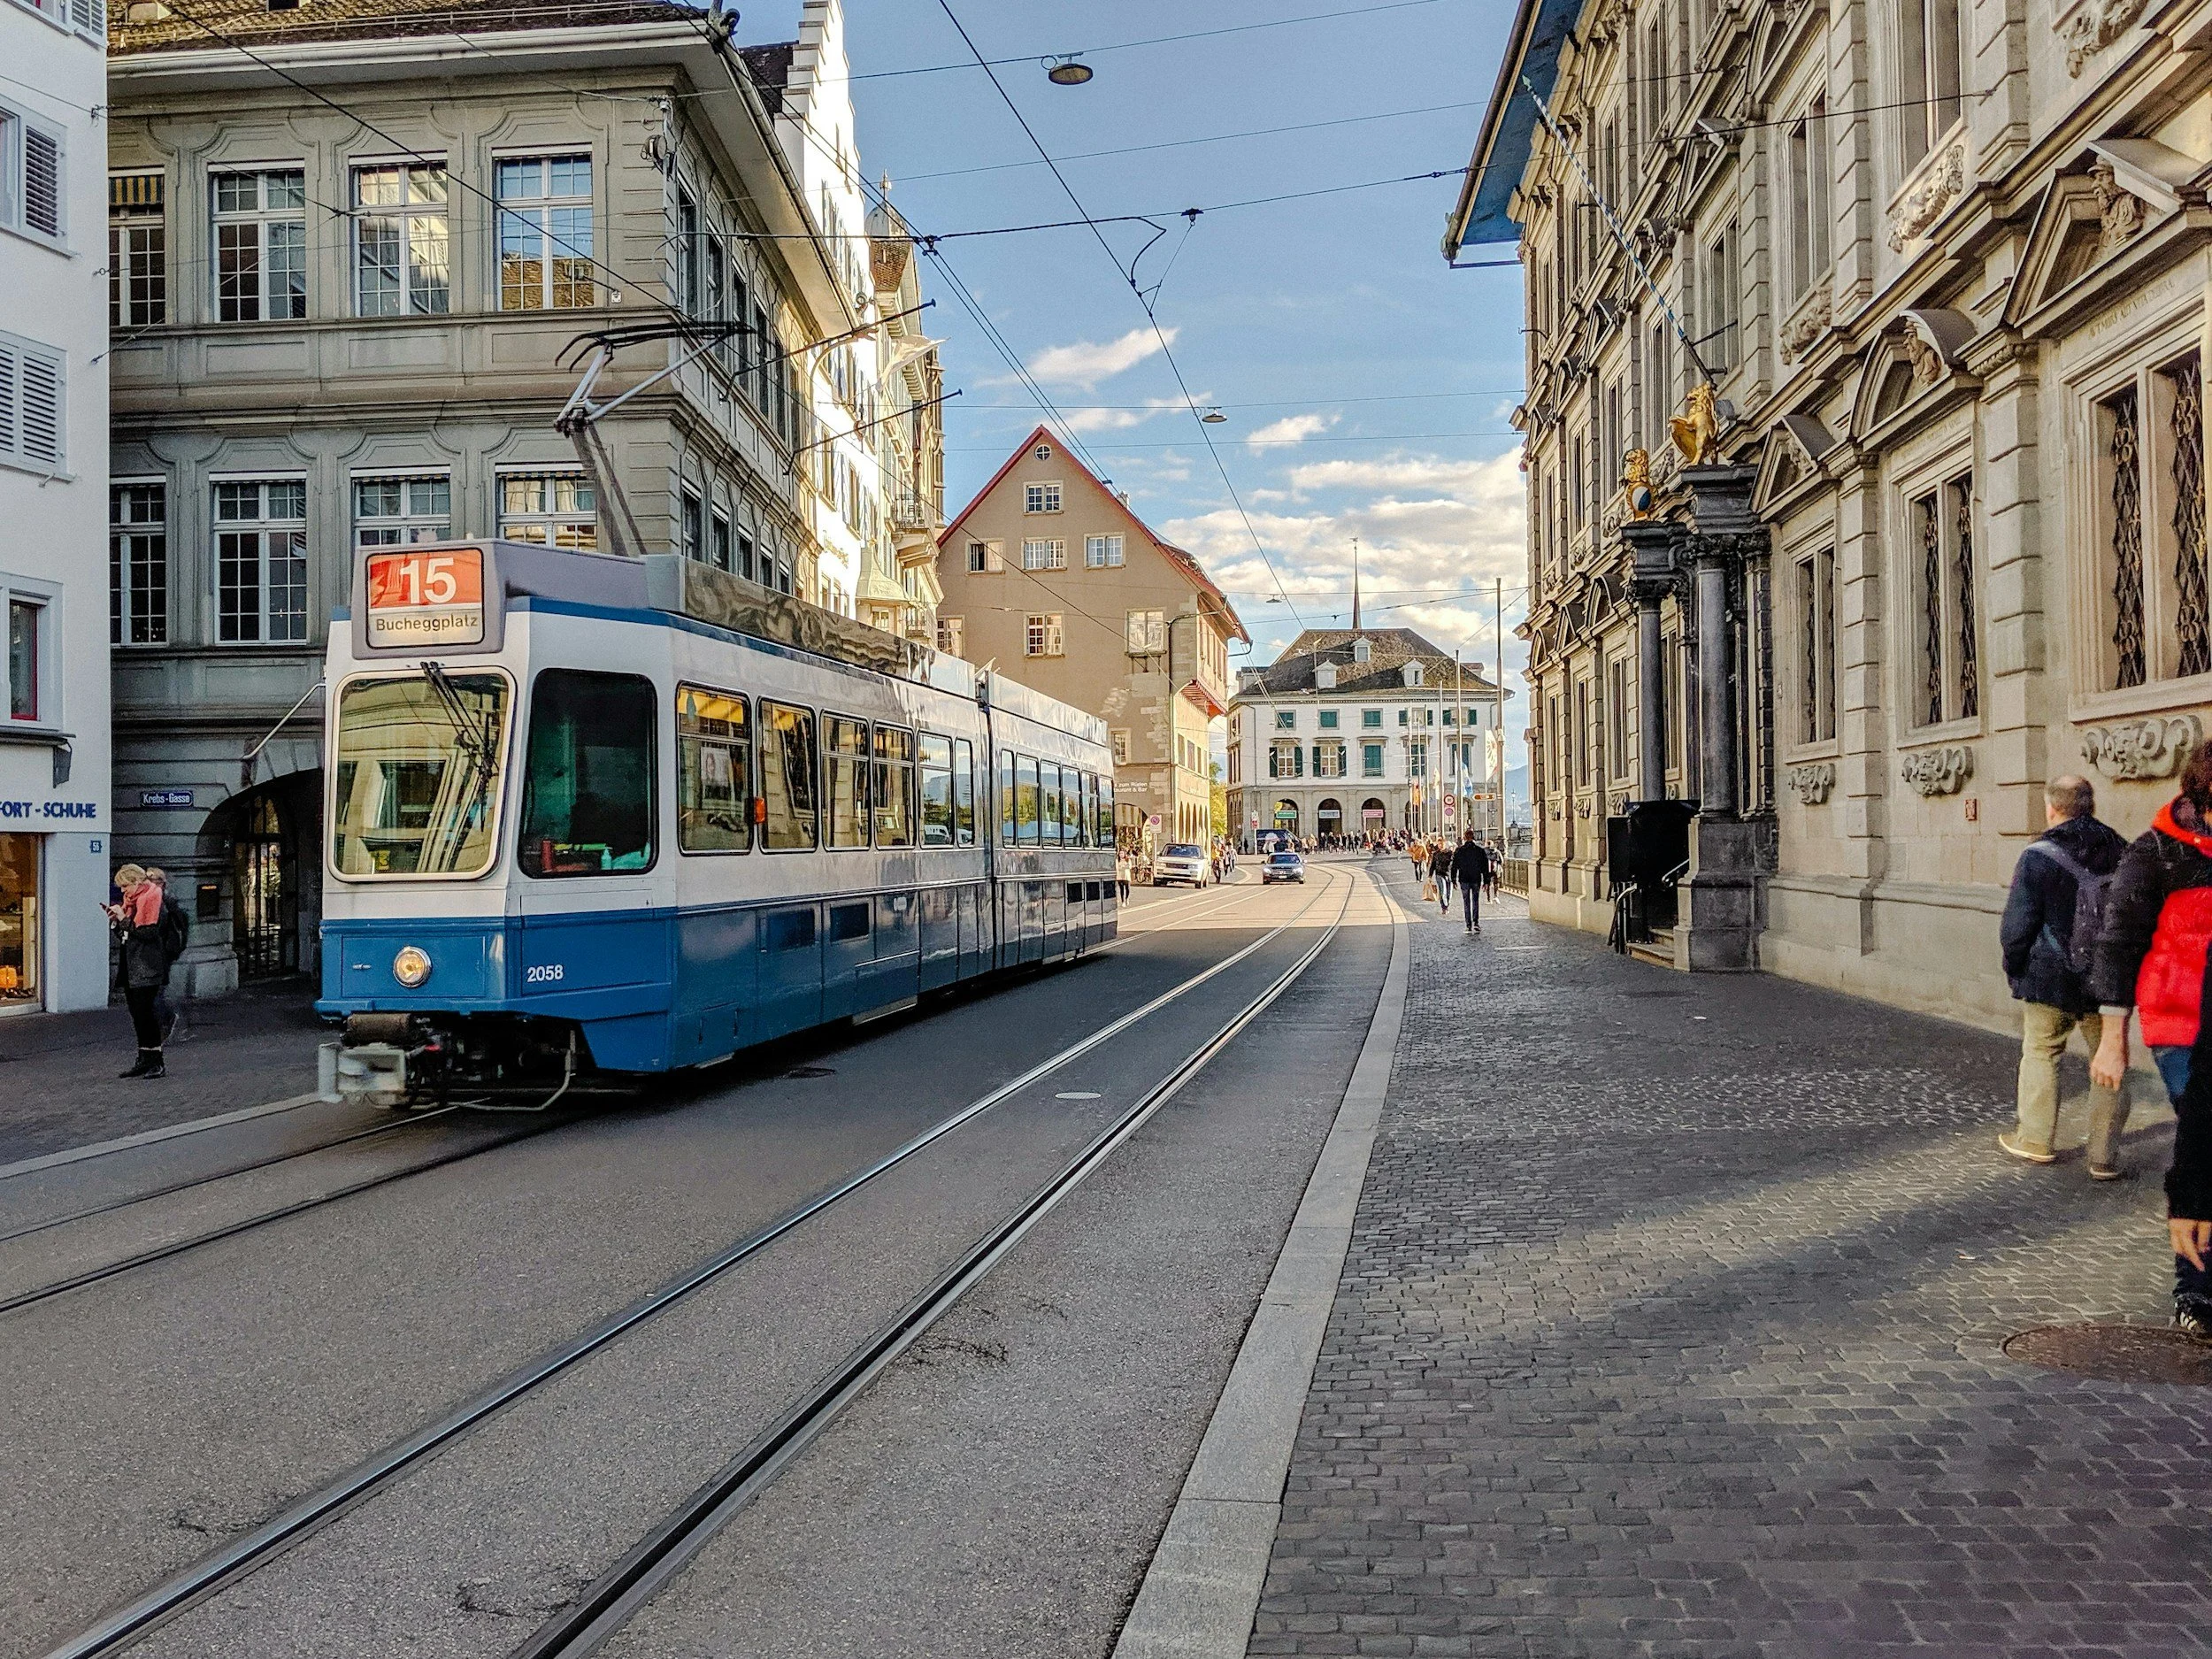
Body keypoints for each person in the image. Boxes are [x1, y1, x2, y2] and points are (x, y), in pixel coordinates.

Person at [2092, 740, 2212, 1338]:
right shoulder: (2158, 852)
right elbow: (2118, 943)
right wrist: (2113, 1037)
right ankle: (2197, 1289)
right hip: (2181, 1024)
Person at [1997, 776, 2128, 1171]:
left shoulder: (2037, 856)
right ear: (2090, 805)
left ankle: (2035, 1139)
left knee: (2041, 1052)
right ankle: (2104, 1156)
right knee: (2107, 1060)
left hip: (2048, 976)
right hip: (2104, 980)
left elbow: (2016, 927)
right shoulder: (2122, 849)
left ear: (2051, 808)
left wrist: (2015, 967)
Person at [108, 865, 171, 1079]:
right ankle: (144, 1058)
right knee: (137, 1016)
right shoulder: (132, 903)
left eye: (125, 885)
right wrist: (116, 923)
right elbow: (128, 936)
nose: (123, 891)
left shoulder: (152, 900)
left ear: (137, 882)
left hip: (146, 967)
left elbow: (148, 933)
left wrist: (124, 920)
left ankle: (156, 1062)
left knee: (147, 1015)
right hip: (131, 966)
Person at [1450, 830, 1491, 933]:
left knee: (1466, 902)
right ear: (1473, 837)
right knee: (1475, 901)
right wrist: (1486, 881)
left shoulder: (1459, 851)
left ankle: (1468, 925)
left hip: (1464, 879)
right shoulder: (1479, 851)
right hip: (1476, 879)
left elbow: (1454, 866)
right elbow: (1485, 867)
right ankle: (1476, 923)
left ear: (1464, 837)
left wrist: (1453, 879)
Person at [1427, 838, 1453, 915]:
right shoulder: (1436, 854)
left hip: (1449, 874)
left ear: (1445, 844)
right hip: (1439, 874)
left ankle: (1447, 905)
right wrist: (1430, 876)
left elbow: (1453, 864)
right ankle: (1444, 907)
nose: (1440, 846)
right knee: (1443, 890)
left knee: (1449, 892)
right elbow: (1433, 865)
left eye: (1441, 844)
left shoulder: (1450, 853)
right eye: (1439, 844)